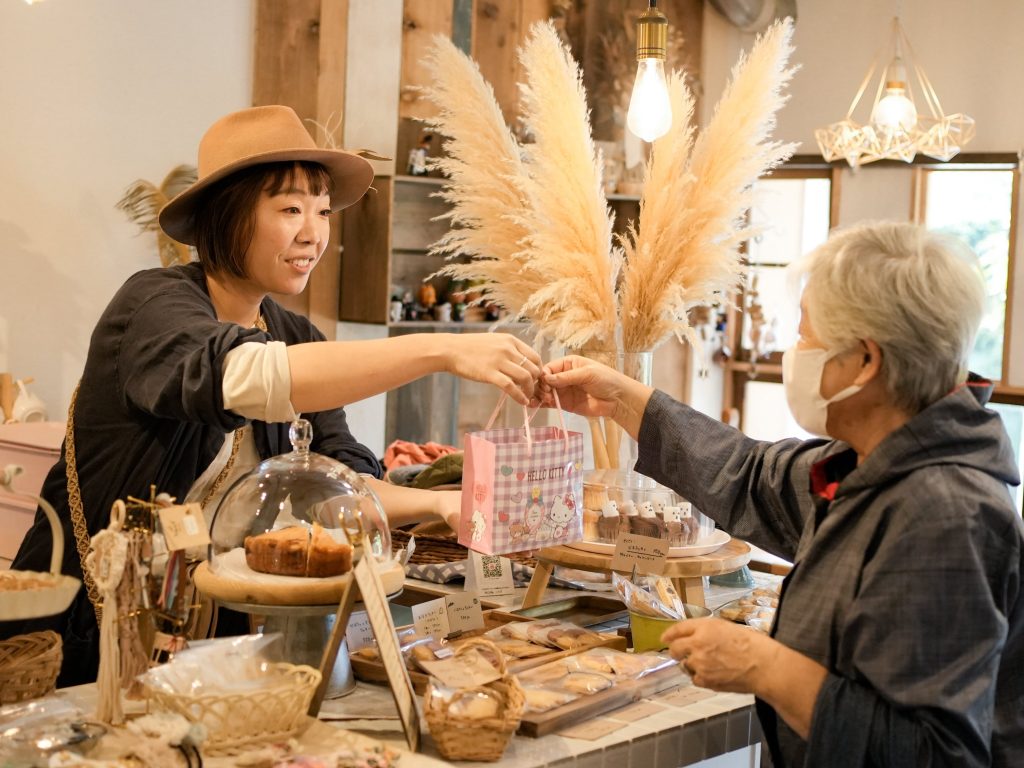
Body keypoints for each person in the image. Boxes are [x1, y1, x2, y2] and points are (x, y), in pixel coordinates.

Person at [3, 105, 542, 685]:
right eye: (289, 209)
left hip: (215, 648)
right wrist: (440, 351)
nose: (314, 233)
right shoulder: (151, 307)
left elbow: (336, 483)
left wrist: (440, 504)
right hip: (89, 635)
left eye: (322, 210)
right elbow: (244, 376)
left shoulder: (295, 336)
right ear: (225, 217)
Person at [540, 221, 1023, 767]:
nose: (791, 353)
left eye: (805, 336)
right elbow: (749, 475)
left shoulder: (945, 516)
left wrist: (764, 664)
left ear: (865, 362)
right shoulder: (863, 463)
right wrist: (623, 399)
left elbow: (932, 754)